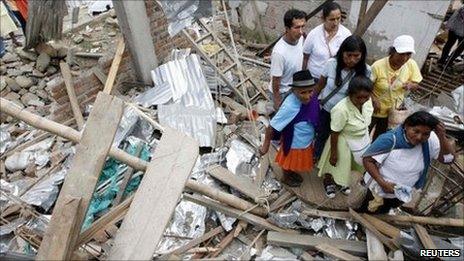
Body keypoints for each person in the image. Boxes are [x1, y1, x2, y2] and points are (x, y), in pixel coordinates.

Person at [360, 111, 455, 214]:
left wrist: (441, 136)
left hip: (401, 194)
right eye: (416, 131)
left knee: (384, 213)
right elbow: (367, 160)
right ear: (406, 126)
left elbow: (448, 159)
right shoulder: (390, 140)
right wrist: (382, 182)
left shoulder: (430, 141)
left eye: (425, 134)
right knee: (366, 213)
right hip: (375, 191)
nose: (419, 137)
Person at [313, 35, 370, 158]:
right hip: (328, 109)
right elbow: (320, 85)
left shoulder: (366, 71)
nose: (352, 60)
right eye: (348, 55)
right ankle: (316, 156)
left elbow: (366, 93)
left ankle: (331, 164)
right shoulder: (331, 64)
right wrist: (310, 103)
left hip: (347, 115)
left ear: (362, 55)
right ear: (342, 52)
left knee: (339, 140)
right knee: (322, 135)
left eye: (356, 56)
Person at [317, 75, 374, 198]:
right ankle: (328, 181)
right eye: (359, 97)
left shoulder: (367, 102)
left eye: (366, 97)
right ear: (350, 94)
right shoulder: (341, 109)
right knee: (335, 164)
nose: (362, 100)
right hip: (343, 141)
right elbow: (335, 132)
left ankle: (342, 181)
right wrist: (333, 153)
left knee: (350, 165)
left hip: (361, 139)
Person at [260, 70, 319, 187]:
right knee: (289, 160)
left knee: (298, 159)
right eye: (303, 93)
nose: (307, 96)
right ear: (294, 91)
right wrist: (265, 146)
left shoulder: (312, 98)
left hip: (305, 137)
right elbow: (272, 127)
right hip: (294, 141)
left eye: (310, 91)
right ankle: (286, 176)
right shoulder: (290, 106)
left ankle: (291, 172)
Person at [370, 35, 423, 140]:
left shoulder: (411, 65)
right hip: (374, 109)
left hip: (393, 112)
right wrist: (373, 99)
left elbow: (416, 84)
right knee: (364, 133)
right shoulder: (378, 66)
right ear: (393, 51)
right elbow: (366, 85)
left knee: (382, 138)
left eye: (408, 54)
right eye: (401, 54)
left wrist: (411, 85)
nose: (404, 58)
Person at [302, 1, 351, 81]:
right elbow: (305, 58)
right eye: (331, 19)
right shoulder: (314, 34)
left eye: (338, 18)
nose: (335, 23)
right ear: (323, 19)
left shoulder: (346, 34)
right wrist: (303, 78)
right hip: (314, 78)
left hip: (334, 79)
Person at [269, 9, 307, 110]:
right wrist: (277, 102)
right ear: (287, 28)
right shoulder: (279, 53)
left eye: (303, 26)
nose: (301, 31)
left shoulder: (301, 39)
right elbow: (276, 81)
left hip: (295, 88)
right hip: (283, 93)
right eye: (297, 27)